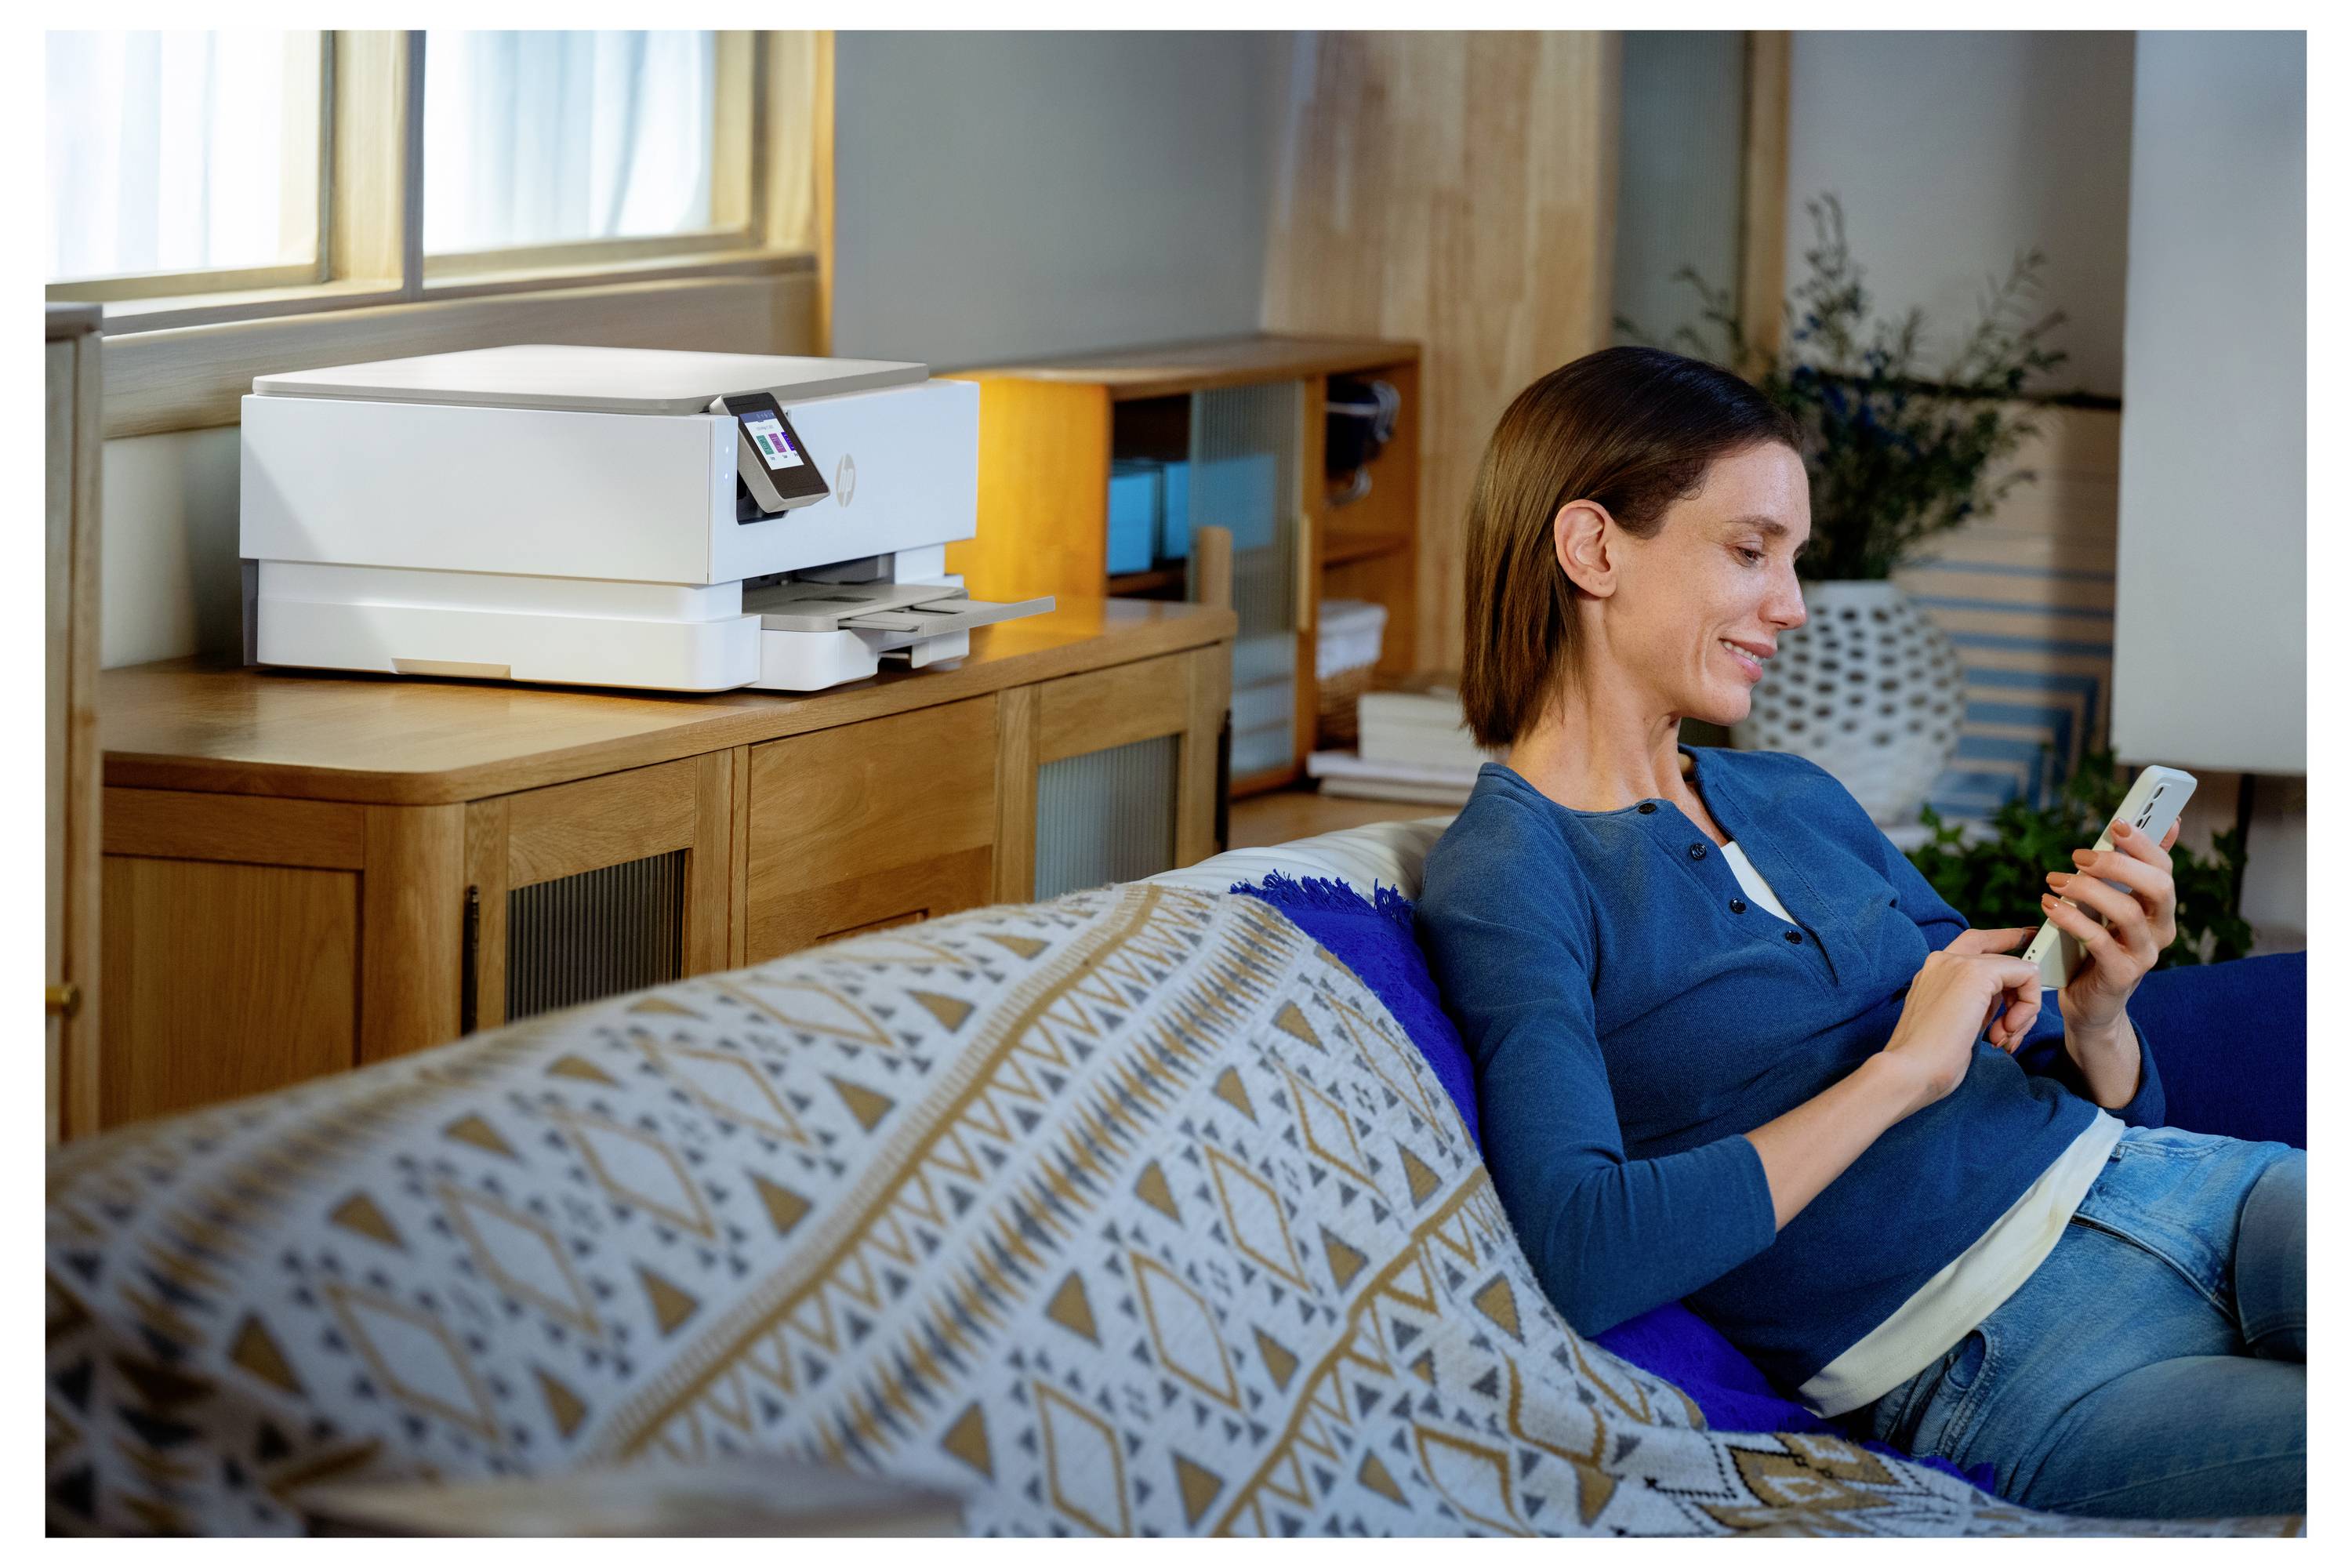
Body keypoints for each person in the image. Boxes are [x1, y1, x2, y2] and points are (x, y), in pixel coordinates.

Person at [1414, 346, 2305, 1520]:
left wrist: (2097, 1020)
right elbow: (1581, 1246)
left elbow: (2021, 1051)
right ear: (1593, 550)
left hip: (2197, 1192)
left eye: (1795, 558)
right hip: (2018, 1369)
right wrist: (1893, 1078)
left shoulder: (1790, 790)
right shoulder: (1512, 876)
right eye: (1750, 551)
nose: (1790, 605)